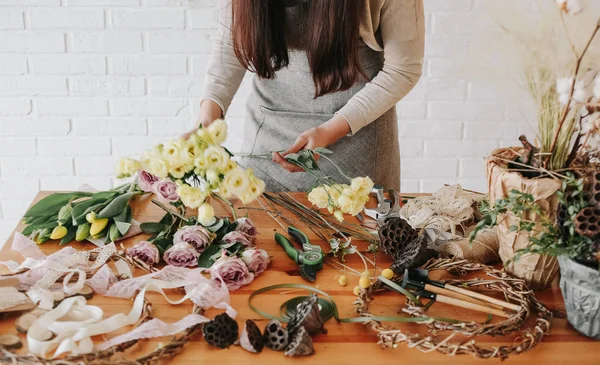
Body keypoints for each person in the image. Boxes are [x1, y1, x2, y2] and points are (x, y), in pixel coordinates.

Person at [196, 0, 425, 192]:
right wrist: (207, 124)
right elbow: (232, 41)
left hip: (358, 138)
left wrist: (330, 130)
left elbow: (402, 70)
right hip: (268, 138)